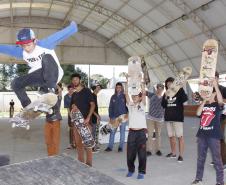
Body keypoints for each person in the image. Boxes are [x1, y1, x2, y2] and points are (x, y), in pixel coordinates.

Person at [0, 22, 77, 110]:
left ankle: (48, 90)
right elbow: (5, 48)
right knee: (15, 83)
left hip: (53, 73)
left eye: (29, 45)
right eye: (23, 46)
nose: (27, 49)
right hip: (38, 77)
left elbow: (62, 34)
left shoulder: (46, 44)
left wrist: (73, 26)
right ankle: (28, 107)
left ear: (35, 40)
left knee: (46, 57)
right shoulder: (21, 52)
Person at [192, 78, 224, 185]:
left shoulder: (217, 106)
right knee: (200, 158)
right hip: (202, 135)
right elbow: (197, 113)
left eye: (212, 93)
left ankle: (220, 181)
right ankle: (198, 179)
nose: (210, 94)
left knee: (217, 159)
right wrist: (204, 101)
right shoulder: (204, 105)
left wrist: (215, 86)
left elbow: (220, 100)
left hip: (213, 136)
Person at [70, 73, 95, 167]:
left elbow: (92, 105)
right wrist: (73, 106)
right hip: (77, 123)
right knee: (78, 144)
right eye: (73, 80)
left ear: (79, 80)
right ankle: (81, 163)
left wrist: (88, 117)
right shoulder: (74, 94)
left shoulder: (87, 91)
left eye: (76, 79)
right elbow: (71, 107)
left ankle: (89, 165)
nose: (74, 81)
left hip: (86, 122)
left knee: (88, 144)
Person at [161, 77, 188, 162]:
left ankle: (181, 155)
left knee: (180, 136)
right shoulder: (166, 93)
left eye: (170, 83)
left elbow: (185, 102)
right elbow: (163, 105)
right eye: (167, 84)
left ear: (174, 84)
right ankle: (173, 153)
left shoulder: (179, 91)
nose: (169, 85)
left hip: (177, 118)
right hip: (168, 118)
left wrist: (182, 87)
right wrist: (165, 97)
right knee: (171, 136)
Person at [125, 80, 147, 179]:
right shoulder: (130, 105)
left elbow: (144, 93)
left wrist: (141, 83)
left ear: (140, 97)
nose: (134, 97)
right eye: (133, 96)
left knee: (142, 154)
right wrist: (127, 82)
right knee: (130, 154)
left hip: (141, 133)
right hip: (132, 133)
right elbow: (126, 94)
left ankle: (141, 172)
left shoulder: (142, 104)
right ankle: (131, 170)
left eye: (136, 96)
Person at [105, 82, 128, 152]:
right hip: (114, 118)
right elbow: (110, 107)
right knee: (112, 132)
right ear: (115, 88)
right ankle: (110, 147)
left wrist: (127, 114)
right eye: (117, 87)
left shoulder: (125, 96)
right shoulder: (113, 97)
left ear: (122, 88)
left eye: (120, 87)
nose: (118, 89)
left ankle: (120, 147)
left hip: (123, 118)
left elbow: (129, 105)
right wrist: (111, 117)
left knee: (122, 132)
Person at [146, 83, 165, 156]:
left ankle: (158, 150)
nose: (159, 90)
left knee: (158, 135)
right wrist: (142, 83)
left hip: (159, 119)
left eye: (161, 89)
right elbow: (144, 92)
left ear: (163, 90)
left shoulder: (164, 98)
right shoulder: (152, 95)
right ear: (156, 89)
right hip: (150, 118)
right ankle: (148, 150)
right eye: (158, 88)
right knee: (150, 135)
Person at [44, 83, 63, 156]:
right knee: (48, 141)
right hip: (48, 121)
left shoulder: (58, 98)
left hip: (56, 121)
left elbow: (60, 90)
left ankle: (55, 156)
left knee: (55, 140)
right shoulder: (46, 100)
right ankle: (50, 156)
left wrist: (54, 83)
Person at [215, 72, 226, 170]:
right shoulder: (208, 89)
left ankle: (223, 161)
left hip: (221, 118)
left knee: (221, 140)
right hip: (210, 119)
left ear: (218, 78)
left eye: (214, 78)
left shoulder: (223, 89)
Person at [64, 84, 76, 150]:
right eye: (70, 89)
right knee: (71, 129)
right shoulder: (66, 97)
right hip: (70, 114)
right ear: (68, 89)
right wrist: (70, 115)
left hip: (77, 114)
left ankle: (77, 143)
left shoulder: (76, 95)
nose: (71, 90)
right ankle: (71, 144)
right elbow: (67, 107)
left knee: (77, 129)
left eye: (72, 89)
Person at [91, 84, 102, 153]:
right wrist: (97, 115)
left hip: (95, 116)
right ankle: (92, 148)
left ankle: (94, 146)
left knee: (94, 132)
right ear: (94, 89)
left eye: (100, 88)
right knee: (93, 132)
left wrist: (98, 115)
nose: (99, 89)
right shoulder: (92, 96)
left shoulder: (95, 95)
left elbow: (95, 108)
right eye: (98, 88)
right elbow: (91, 108)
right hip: (92, 117)